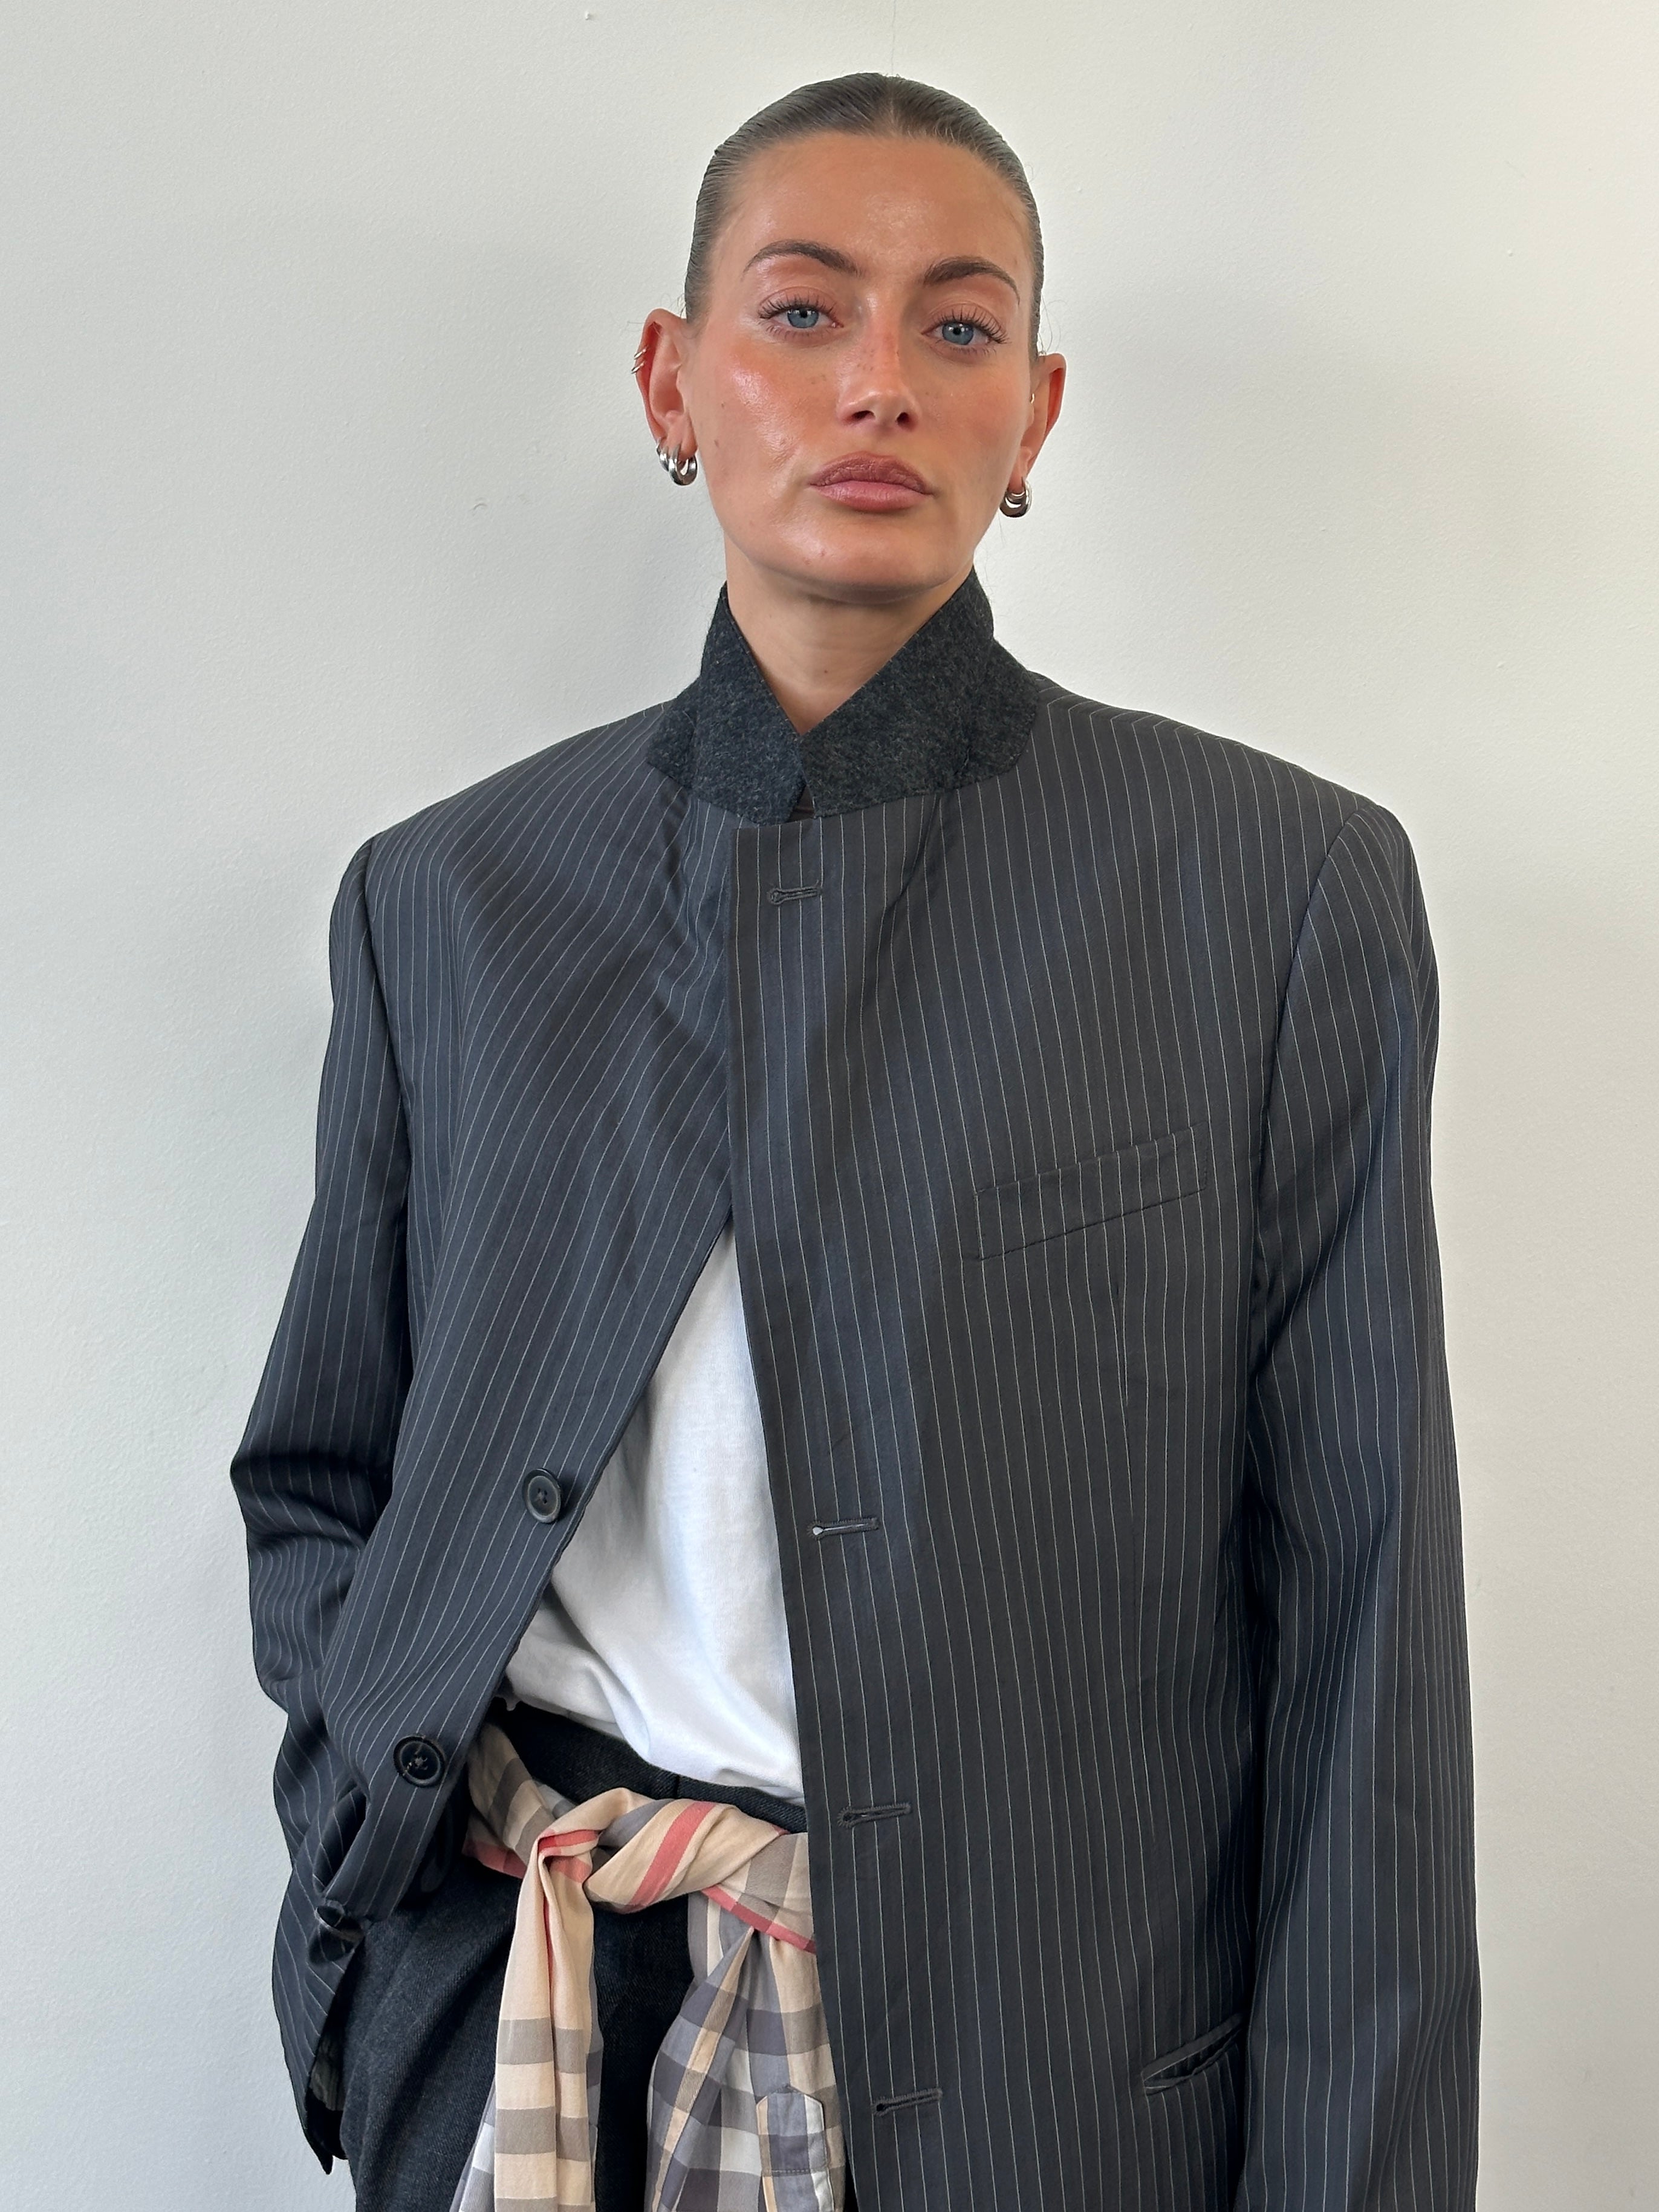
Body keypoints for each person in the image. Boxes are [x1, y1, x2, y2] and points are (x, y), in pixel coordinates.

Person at [232, 70, 1479, 2212]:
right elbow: (322, 1479)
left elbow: (1366, 1642)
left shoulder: (1271, 895)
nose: (879, 383)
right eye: (802, 312)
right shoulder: (450, 900)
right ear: (674, 380)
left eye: (959, 326)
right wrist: (377, 1851)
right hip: (521, 2034)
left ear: (1037, 414)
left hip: (1039, 2094)